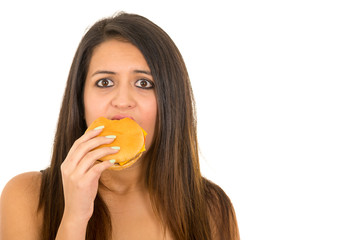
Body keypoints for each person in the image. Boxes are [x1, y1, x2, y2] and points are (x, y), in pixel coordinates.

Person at [0, 12, 240, 240]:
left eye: (144, 83)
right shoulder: (26, 196)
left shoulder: (211, 208)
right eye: (104, 82)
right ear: (80, 100)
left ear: (170, 101)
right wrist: (75, 216)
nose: (123, 101)